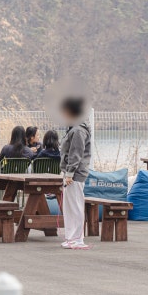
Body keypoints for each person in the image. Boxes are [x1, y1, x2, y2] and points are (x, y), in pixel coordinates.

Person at [58, 98, 92, 249]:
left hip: (75, 174)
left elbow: (76, 154)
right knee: (70, 206)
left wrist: (70, 173)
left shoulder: (78, 130)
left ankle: (77, 238)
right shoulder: (74, 128)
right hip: (71, 173)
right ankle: (71, 237)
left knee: (75, 205)